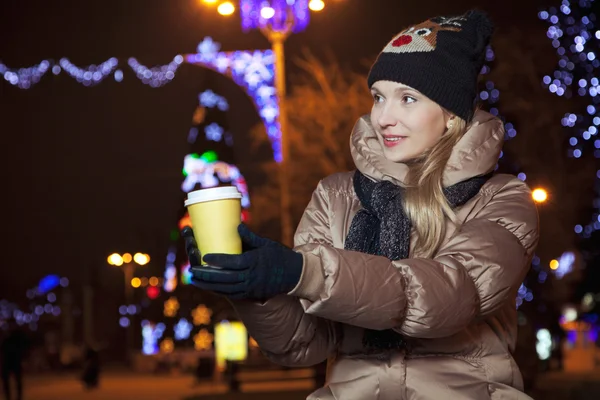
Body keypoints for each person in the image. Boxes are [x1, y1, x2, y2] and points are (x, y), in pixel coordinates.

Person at [182, 9, 539, 400]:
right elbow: (304, 344)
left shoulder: (502, 199)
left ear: (451, 114)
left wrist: (306, 272)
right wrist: (254, 287)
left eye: (407, 99)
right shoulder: (335, 196)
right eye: (378, 97)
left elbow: (449, 296)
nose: (384, 117)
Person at [1, 319, 28, 400]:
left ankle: (18, 397)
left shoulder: (18, 335)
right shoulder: (5, 334)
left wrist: (23, 357)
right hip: (7, 360)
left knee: (17, 380)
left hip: (16, 359)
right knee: (6, 381)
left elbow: (25, 346)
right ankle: (8, 397)